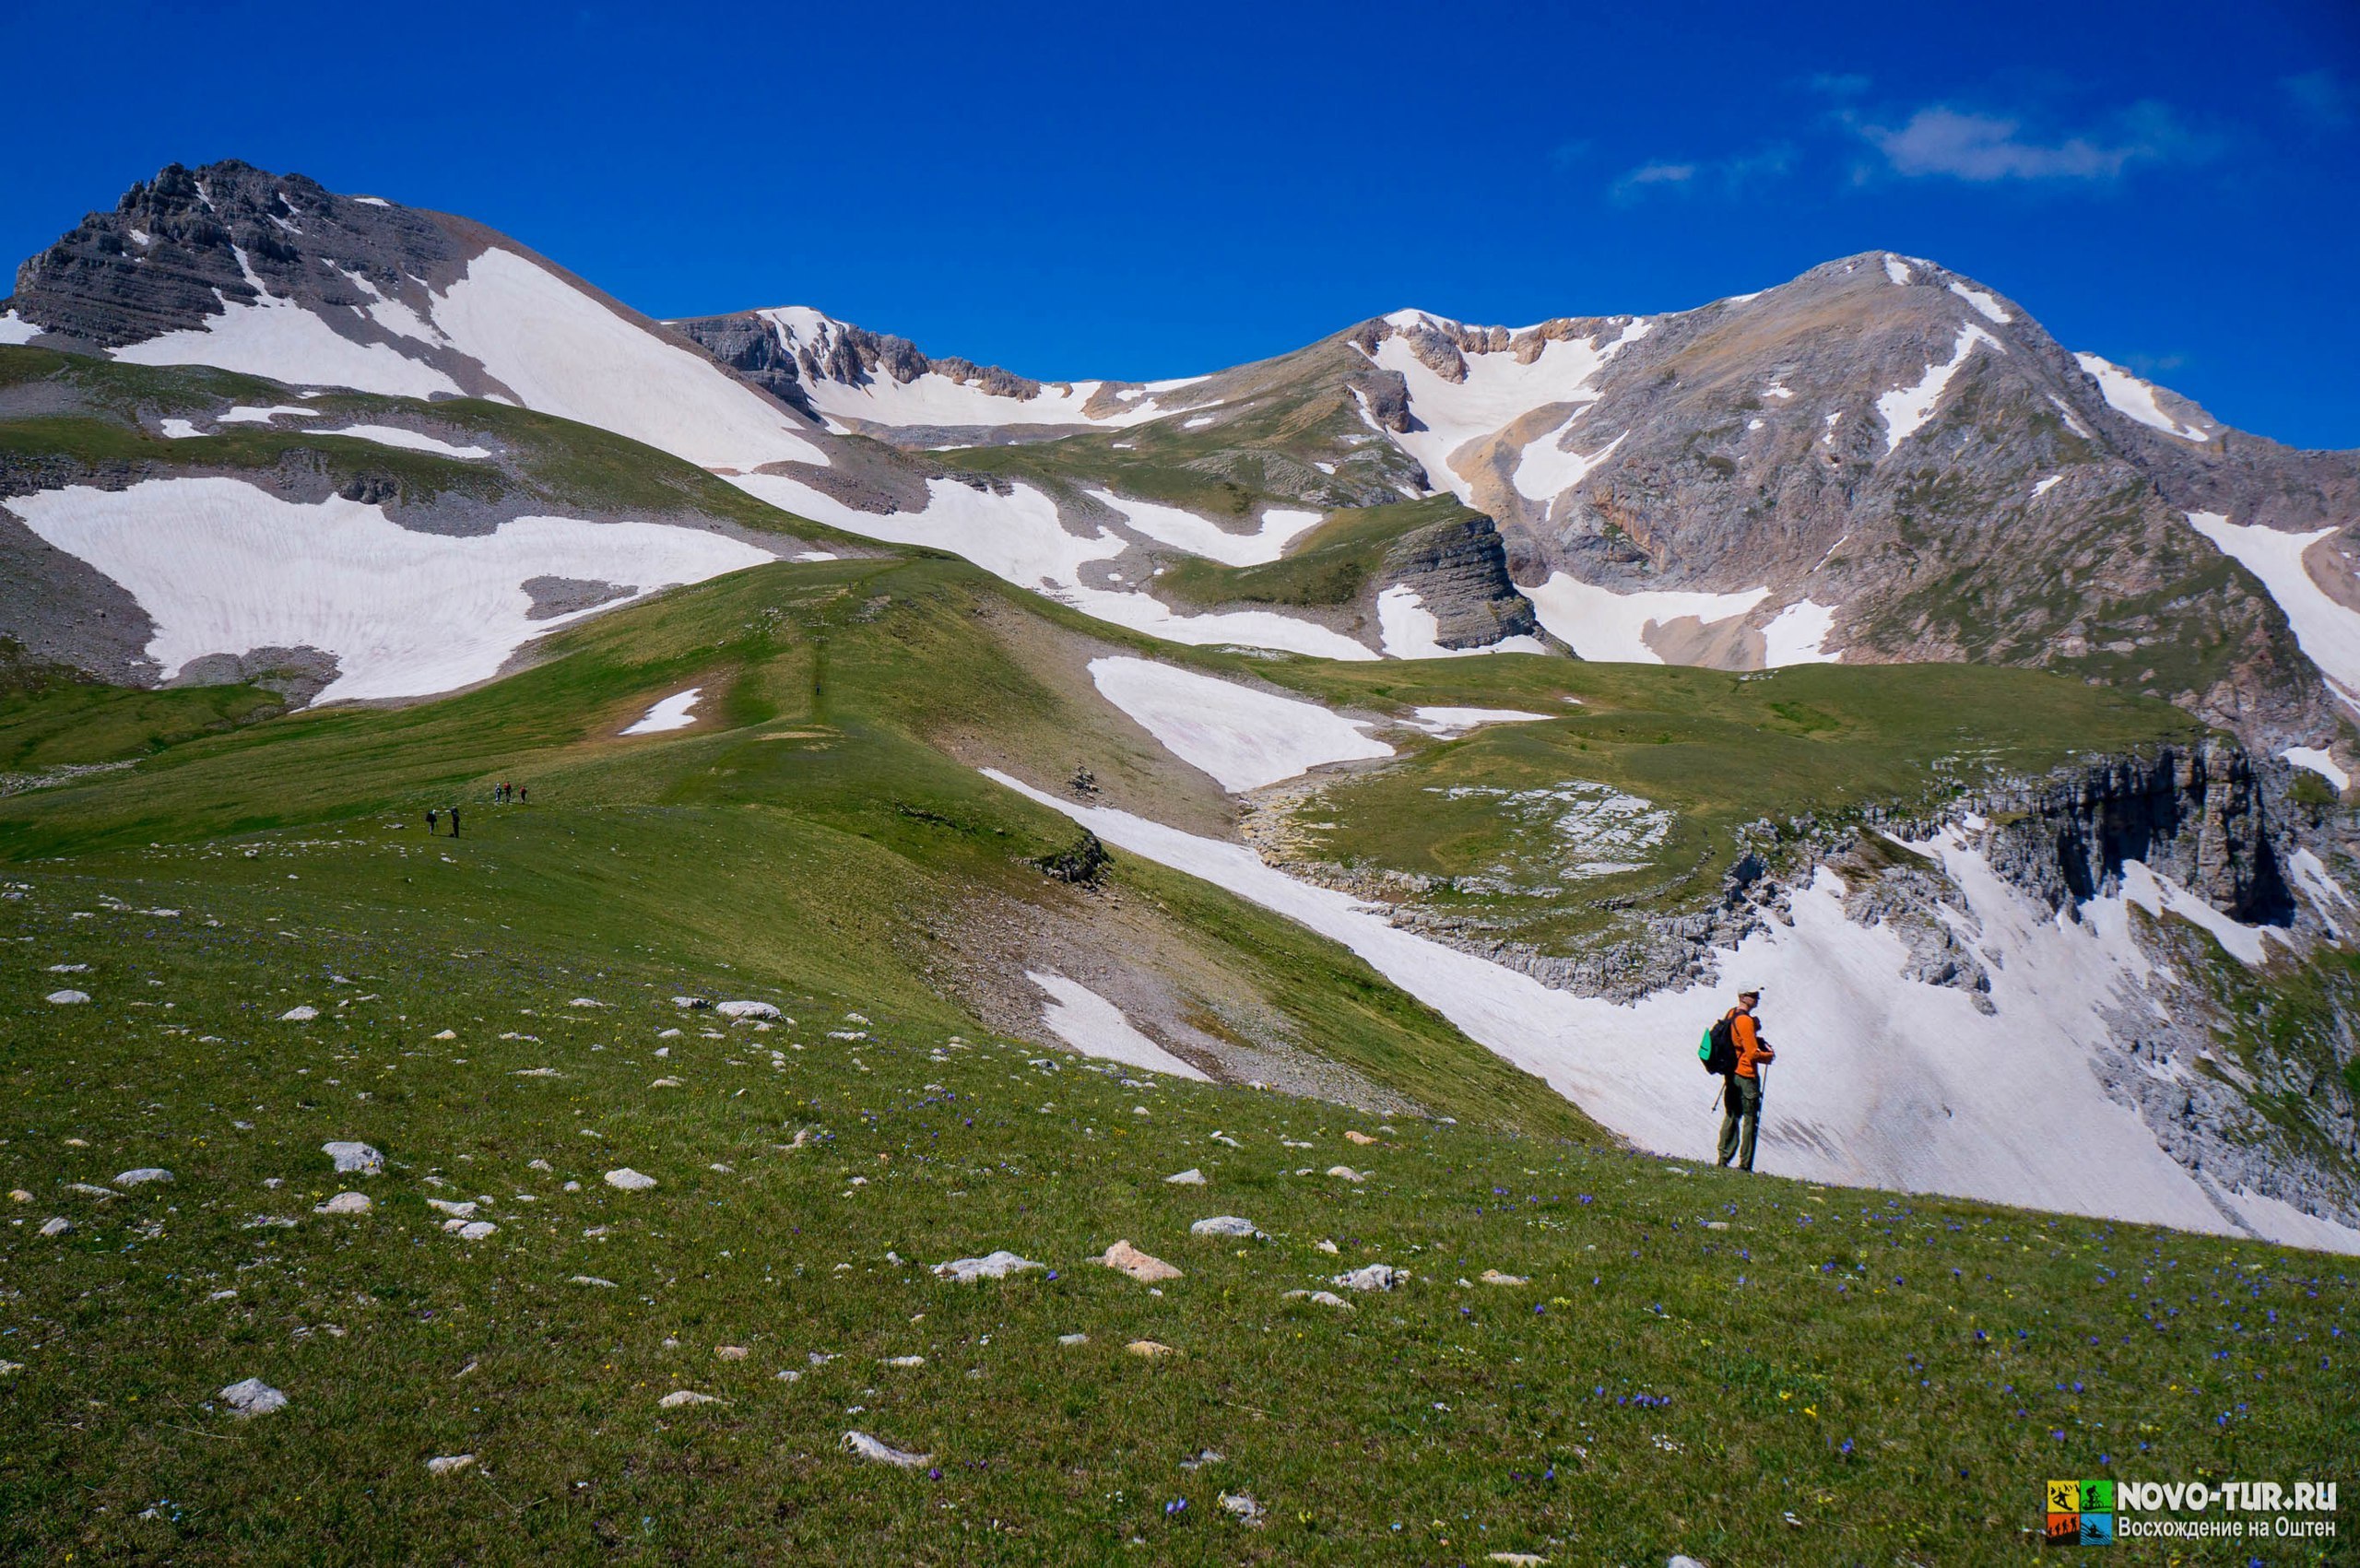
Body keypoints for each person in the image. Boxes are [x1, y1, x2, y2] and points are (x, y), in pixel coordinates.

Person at [1716, 987, 1774, 1172]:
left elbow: (1735, 1039)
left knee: (1732, 1114)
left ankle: (1723, 1157)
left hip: (1731, 1073)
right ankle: (1745, 1164)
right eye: (1754, 995)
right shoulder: (1746, 1021)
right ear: (1743, 997)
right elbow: (1752, 1053)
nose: (1757, 998)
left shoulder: (1732, 1013)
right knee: (1750, 1118)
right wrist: (1768, 1056)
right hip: (1747, 1075)